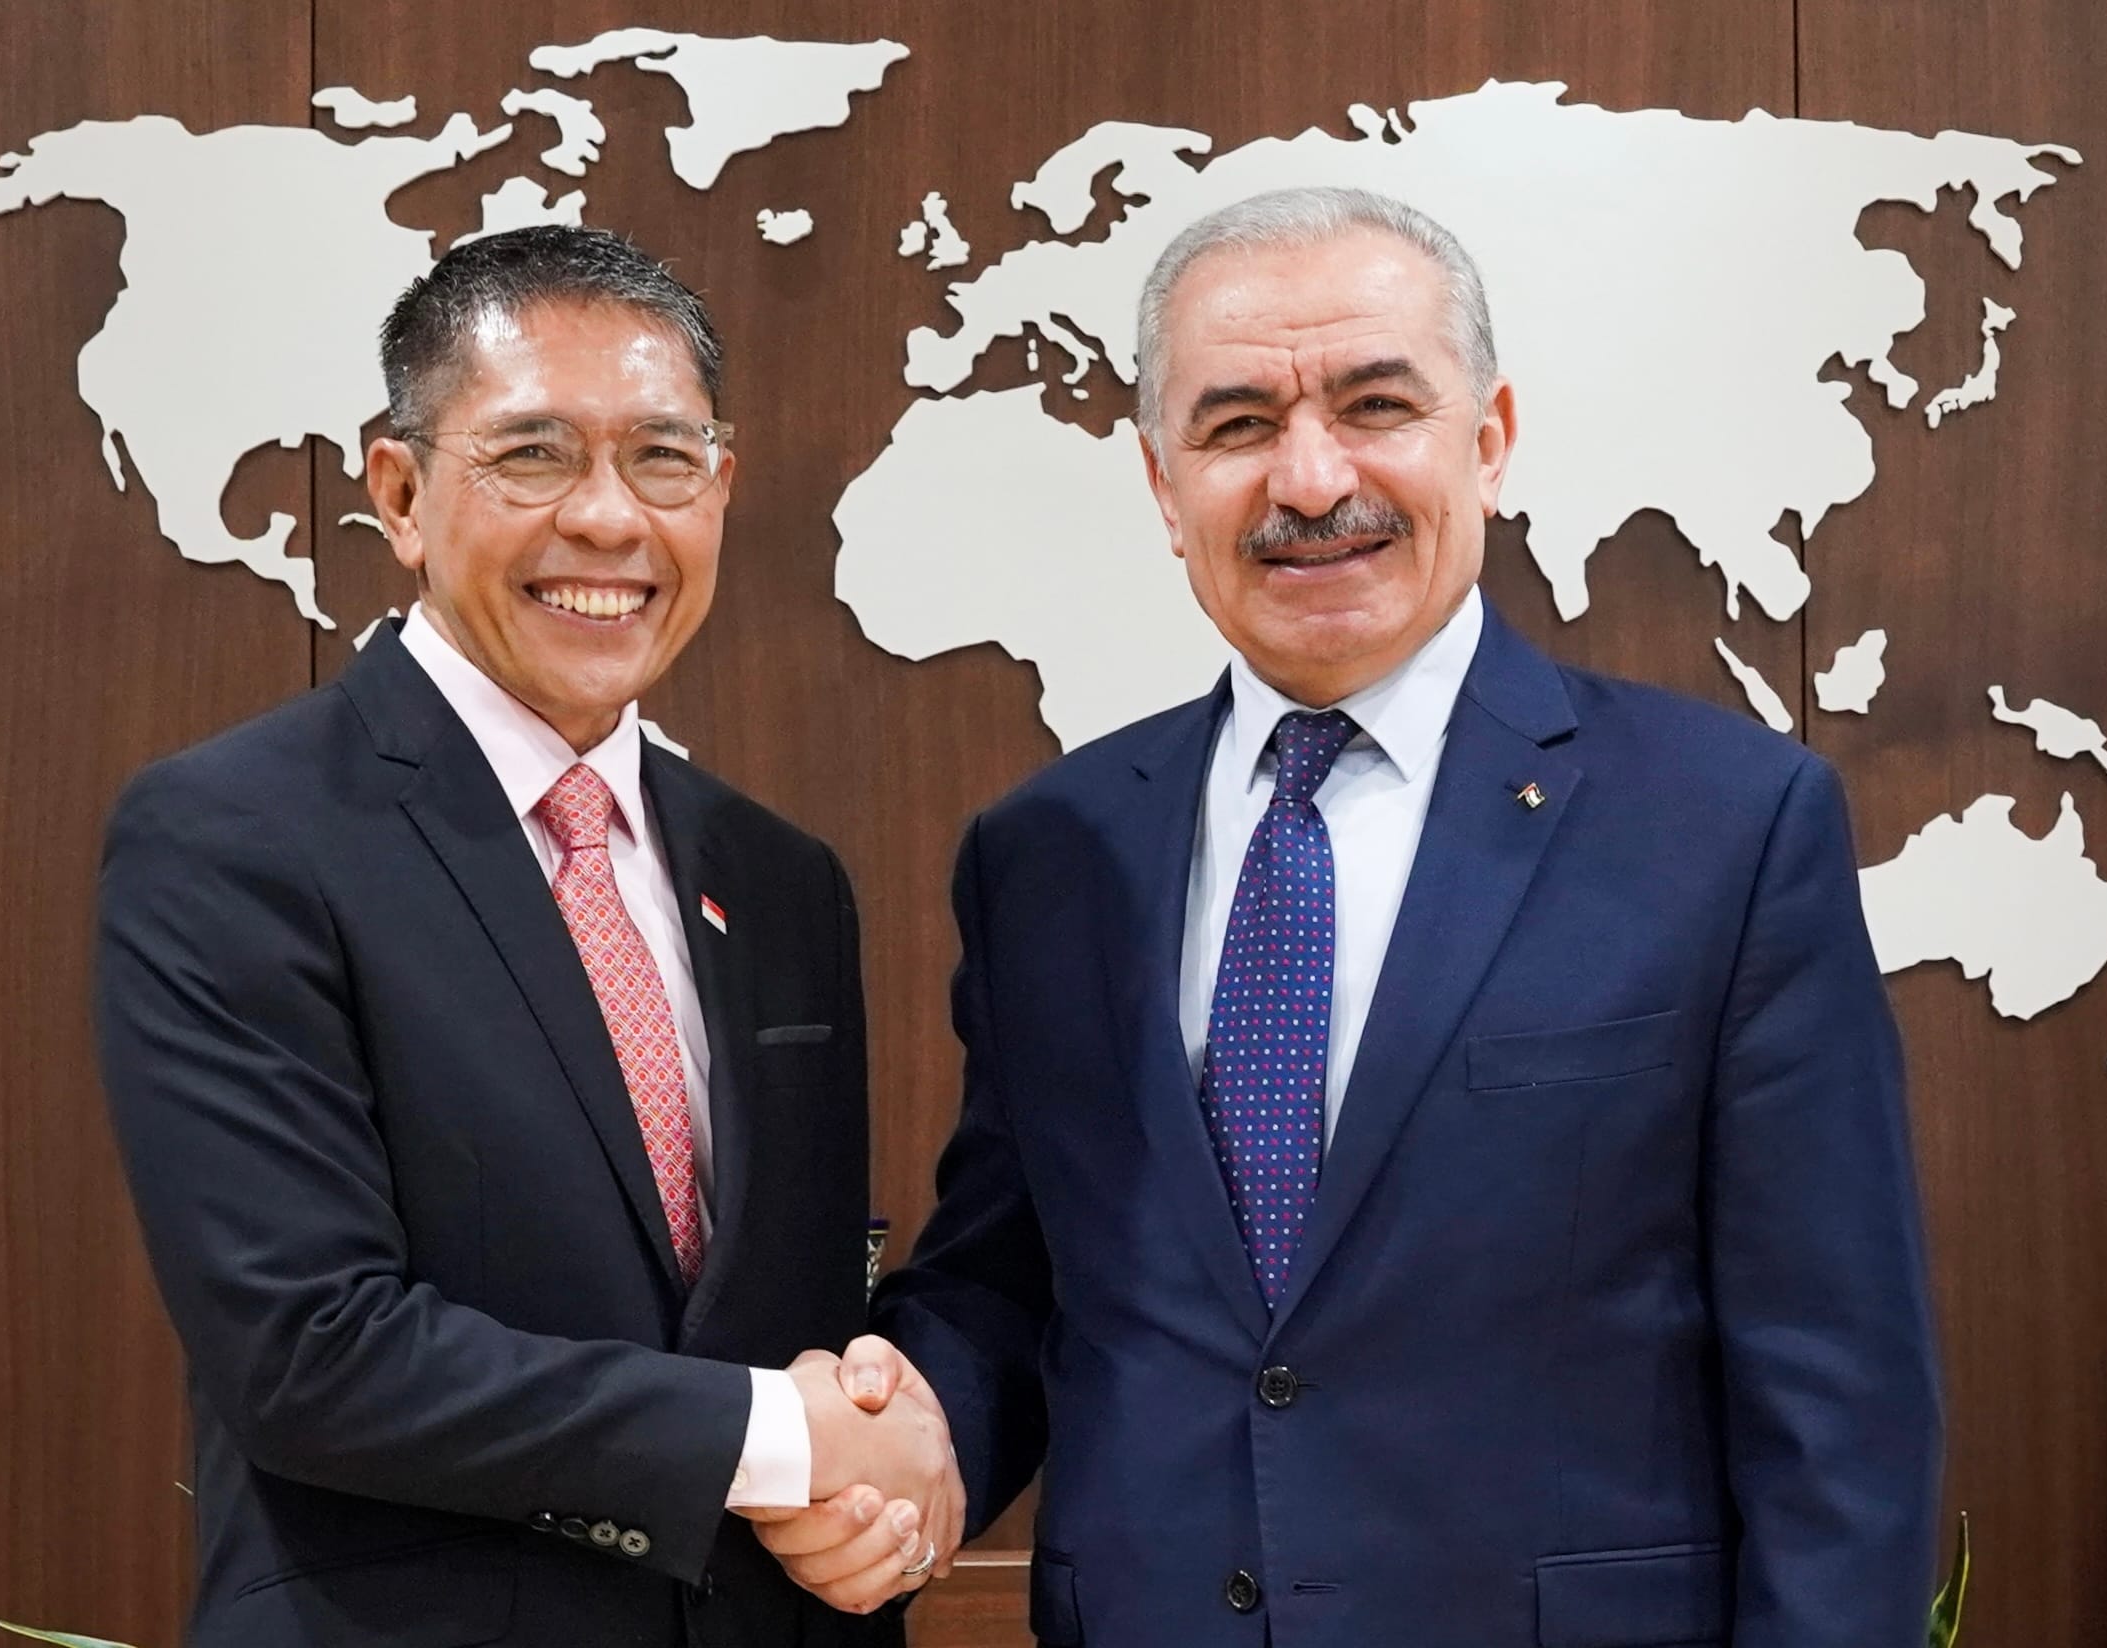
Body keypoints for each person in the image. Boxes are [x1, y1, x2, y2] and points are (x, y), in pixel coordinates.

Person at [766, 186, 1943, 1646]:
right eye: (1239, 423)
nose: (1312, 480)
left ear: (1490, 438)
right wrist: (902, 1421)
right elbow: (1015, 1277)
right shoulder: (1050, 851)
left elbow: (1838, 1388)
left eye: (1376, 404)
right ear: (1159, 479)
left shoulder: (1727, 826)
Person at [94, 224, 955, 1648]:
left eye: (664, 459)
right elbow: (310, 1354)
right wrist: (782, 1441)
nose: (611, 520)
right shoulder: (236, 837)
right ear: (400, 494)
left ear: (721, 492)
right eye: (534, 454)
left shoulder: (781, 879)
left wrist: (872, 1489)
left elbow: (788, 1316)